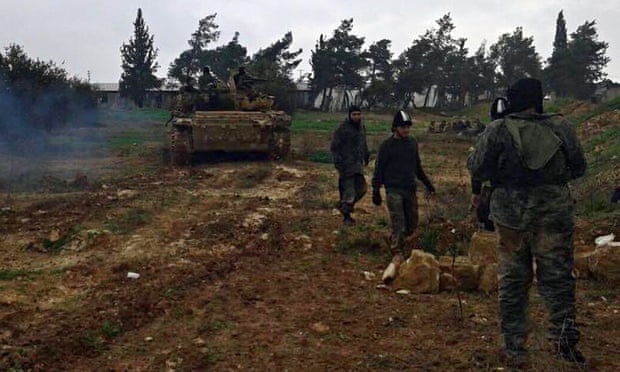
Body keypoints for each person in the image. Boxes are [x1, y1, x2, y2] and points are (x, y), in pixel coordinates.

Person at [468, 78, 587, 366]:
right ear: (538, 100)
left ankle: (514, 349)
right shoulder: (561, 127)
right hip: (553, 216)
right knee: (558, 280)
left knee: (512, 282)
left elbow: (477, 167)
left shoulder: (497, 129)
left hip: (511, 218)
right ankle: (565, 344)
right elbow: (578, 167)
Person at [372, 110, 435, 255]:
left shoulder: (412, 143)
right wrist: (376, 190)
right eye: (402, 127)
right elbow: (379, 168)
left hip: (409, 188)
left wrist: (427, 184)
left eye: (408, 127)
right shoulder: (387, 146)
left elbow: (417, 167)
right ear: (395, 128)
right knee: (398, 222)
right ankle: (396, 251)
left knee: (412, 222)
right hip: (393, 189)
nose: (406, 130)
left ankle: (403, 245)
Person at [330, 105, 370, 225]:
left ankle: (343, 205)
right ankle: (346, 217)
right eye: (354, 114)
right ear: (349, 115)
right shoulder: (343, 129)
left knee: (362, 189)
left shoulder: (361, 127)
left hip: (358, 165)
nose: (357, 117)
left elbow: (363, 143)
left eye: (358, 114)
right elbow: (334, 147)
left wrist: (366, 155)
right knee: (349, 193)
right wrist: (338, 163)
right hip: (346, 166)